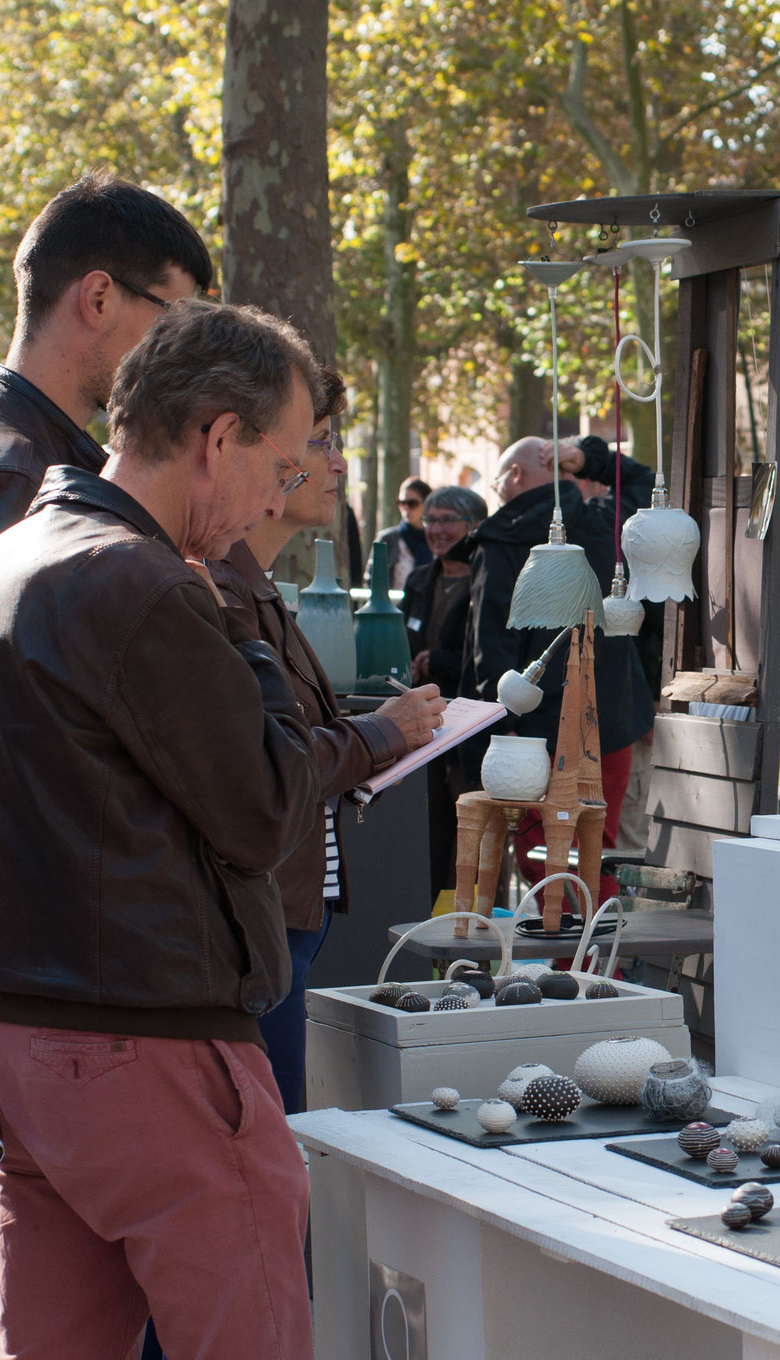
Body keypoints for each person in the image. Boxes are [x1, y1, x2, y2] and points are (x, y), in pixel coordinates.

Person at [0, 300, 325, 1359]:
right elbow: (269, 814)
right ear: (219, 436)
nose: (276, 497)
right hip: (162, 1053)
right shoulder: (154, 585)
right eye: (283, 466)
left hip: (25, 1058)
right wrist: (240, 626)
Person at [0, 172, 210, 1360]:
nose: (187, 360)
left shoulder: (15, 456)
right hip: (35, 1000)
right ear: (97, 298)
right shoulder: (19, 481)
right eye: (172, 322)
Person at [210, 369, 446, 1116]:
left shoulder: (257, 588)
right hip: (259, 916)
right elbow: (262, 765)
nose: (339, 462)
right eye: (321, 440)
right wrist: (384, 733)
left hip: (290, 910)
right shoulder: (219, 591)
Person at [464, 435, 654, 907]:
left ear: (514, 477)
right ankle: (601, 966)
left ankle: (581, 968)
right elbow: (647, 484)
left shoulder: (502, 538)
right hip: (610, 721)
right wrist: (588, 457)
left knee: (541, 851)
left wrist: (498, 722)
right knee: (594, 847)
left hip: (537, 729)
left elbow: (492, 643)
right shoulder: (607, 522)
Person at [402, 483, 488, 697]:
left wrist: (443, 662)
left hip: (468, 710)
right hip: (419, 710)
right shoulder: (417, 580)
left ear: (476, 525)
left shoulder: (490, 582)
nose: (436, 530)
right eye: (430, 520)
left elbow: (495, 658)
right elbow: (401, 640)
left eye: (448, 520)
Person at [376, 475, 433, 589]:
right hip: (394, 606)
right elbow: (373, 581)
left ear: (426, 504)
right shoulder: (387, 539)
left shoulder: (437, 538)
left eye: (412, 503)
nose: (405, 508)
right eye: (401, 503)